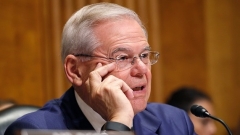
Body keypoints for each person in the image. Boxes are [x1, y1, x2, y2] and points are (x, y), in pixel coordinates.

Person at [5, 2, 196, 135]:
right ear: (75, 70)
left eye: (144, 56)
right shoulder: (35, 130)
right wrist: (119, 121)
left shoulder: (174, 122)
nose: (141, 69)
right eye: (122, 58)